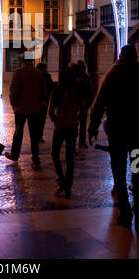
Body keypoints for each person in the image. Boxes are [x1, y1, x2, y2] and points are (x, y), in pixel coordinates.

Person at [89, 44, 139, 230]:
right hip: (136, 135)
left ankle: (125, 211)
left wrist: (93, 127)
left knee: (118, 170)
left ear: (120, 55)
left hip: (117, 133)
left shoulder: (113, 73)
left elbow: (99, 103)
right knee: (137, 170)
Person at [48, 67, 86, 198]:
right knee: (70, 157)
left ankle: (61, 178)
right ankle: (68, 184)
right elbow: (83, 109)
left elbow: (51, 110)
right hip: (73, 126)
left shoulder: (57, 91)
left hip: (60, 126)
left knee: (55, 153)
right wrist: (77, 117)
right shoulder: (77, 90)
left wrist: (56, 120)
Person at [5, 56, 47, 170]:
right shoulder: (38, 73)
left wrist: (14, 104)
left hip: (21, 108)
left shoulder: (18, 73)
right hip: (35, 108)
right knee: (34, 134)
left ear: (22, 61)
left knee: (18, 132)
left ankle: (14, 154)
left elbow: (14, 90)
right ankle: (35, 159)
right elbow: (43, 91)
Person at [36, 62, 56, 143]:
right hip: (37, 101)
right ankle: (36, 136)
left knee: (42, 119)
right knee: (37, 120)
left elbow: (51, 85)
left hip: (44, 101)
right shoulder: (36, 76)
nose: (45, 70)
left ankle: (39, 136)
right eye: (44, 68)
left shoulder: (47, 76)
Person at [77, 60, 94, 148]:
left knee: (83, 123)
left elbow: (90, 89)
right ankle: (73, 142)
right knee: (75, 124)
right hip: (76, 103)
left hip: (85, 102)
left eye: (82, 67)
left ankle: (82, 141)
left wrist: (89, 101)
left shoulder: (87, 76)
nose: (81, 68)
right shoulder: (75, 77)